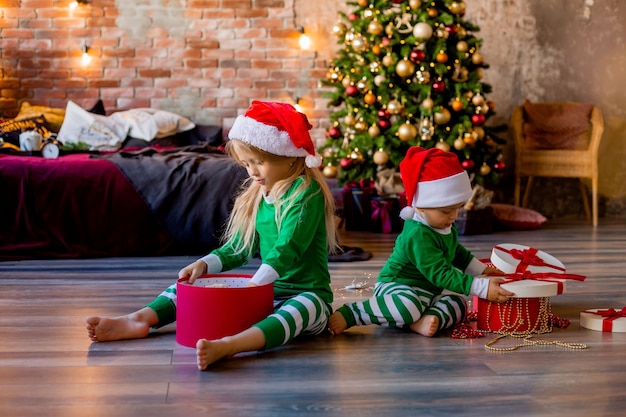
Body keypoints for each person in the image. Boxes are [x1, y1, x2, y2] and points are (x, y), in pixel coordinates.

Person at [86, 100, 339, 370]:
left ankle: (232, 345)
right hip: (266, 294)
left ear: (288, 156)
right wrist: (205, 264)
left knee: (300, 309)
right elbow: (239, 250)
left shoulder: (305, 193)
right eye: (246, 164)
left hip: (308, 295)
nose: (252, 172)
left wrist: (253, 287)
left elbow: (288, 248)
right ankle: (140, 319)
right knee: (189, 285)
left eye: (259, 162)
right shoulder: (259, 196)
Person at [328, 146, 514, 337]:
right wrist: (479, 287)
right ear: (421, 207)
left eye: (457, 208)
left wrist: (481, 270)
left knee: (458, 304)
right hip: (397, 288)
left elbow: (455, 251)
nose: (454, 216)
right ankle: (352, 313)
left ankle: (424, 320)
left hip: (427, 295)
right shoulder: (418, 233)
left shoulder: (443, 224)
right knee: (408, 306)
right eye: (446, 211)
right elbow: (440, 273)